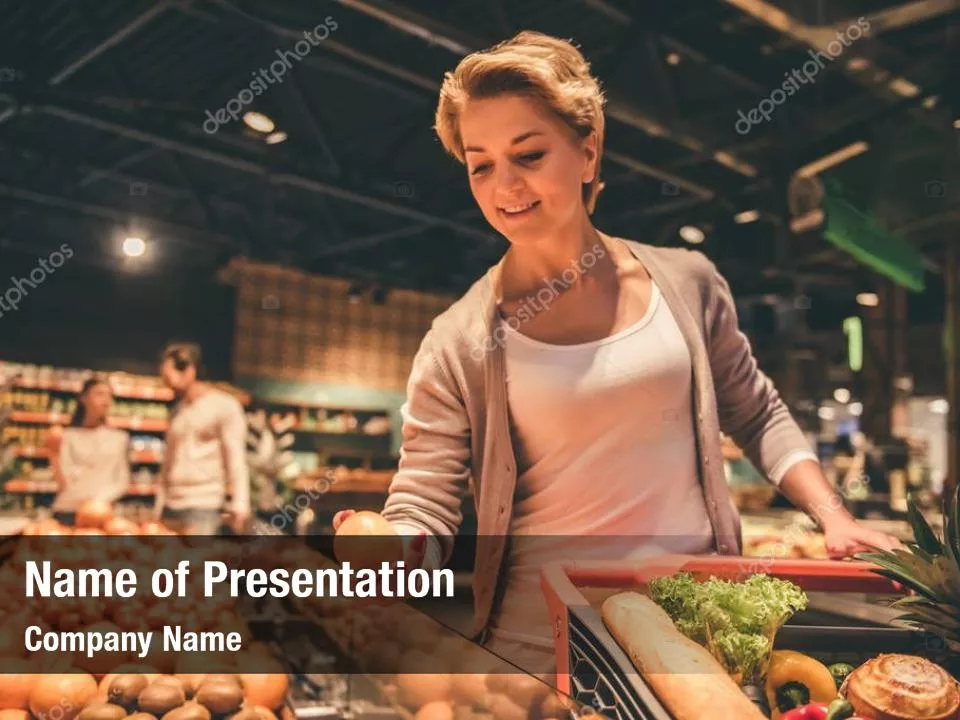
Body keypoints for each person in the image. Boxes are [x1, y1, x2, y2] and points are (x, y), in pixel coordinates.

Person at [334, 31, 901, 672]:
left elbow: (757, 412)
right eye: (480, 165)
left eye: (528, 154)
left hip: (696, 632)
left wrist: (833, 516)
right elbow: (427, 498)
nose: (505, 185)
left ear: (587, 152)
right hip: (542, 645)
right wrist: (391, 550)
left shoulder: (687, 284)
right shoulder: (459, 340)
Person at [156, 342, 250, 535]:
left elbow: (236, 457)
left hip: (204, 506)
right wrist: (159, 503)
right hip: (171, 505)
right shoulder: (177, 412)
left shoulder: (224, 406)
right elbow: (168, 463)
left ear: (189, 371)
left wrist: (241, 502)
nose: (166, 385)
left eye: (168, 378)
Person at [52, 377, 130, 524]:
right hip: (68, 511)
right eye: (99, 394)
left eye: (109, 396)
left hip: (100, 512)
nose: (105, 401)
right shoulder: (67, 436)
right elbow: (63, 482)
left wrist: (98, 501)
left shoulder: (119, 438)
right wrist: (53, 455)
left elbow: (122, 481)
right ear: (83, 398)